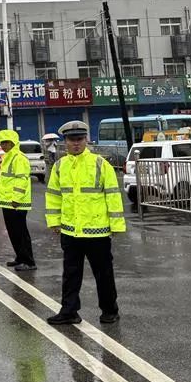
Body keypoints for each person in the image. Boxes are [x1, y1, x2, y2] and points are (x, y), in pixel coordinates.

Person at [45, 121, 125, 326]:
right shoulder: (60, 166)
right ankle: (69, 311)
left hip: (97, 232)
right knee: (70, 274)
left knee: (104, 274)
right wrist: (54, 221)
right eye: (72, 140)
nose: (76, 144)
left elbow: (113, 196)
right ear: (65, 142)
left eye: (80, 139)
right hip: (71, 231)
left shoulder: (100, 164)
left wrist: (115, 226)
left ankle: (109, 310)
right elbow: (54, 196)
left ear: (86, 140)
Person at [0, 129, 36, 272]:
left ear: (13, 143)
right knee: (13, 232)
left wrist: (16, 199)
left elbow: (22, 180)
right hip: (8, 202)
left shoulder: (19, 158)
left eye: (6, 143)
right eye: (2, 143)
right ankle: (20, 257)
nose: (3, 146)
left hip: (16, 203)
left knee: (20, 232)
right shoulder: (9, 157)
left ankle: (29, 261)